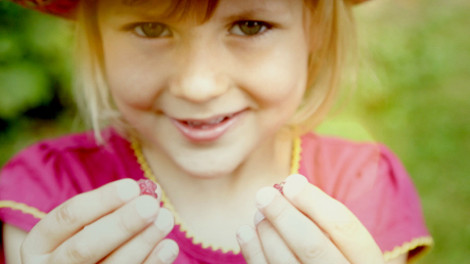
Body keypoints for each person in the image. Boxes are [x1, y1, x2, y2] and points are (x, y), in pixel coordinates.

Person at [0, 0, 433, 263]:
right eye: (151, 28)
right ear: (96, 40)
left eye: (249, 25)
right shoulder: (48, 196)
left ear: (314, 30)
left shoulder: (360, 186)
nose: (197, 85)